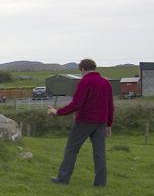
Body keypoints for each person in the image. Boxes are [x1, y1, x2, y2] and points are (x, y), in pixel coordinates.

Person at [48, 58, 114, 187]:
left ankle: (63, 179)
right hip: (101, 122)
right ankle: (100, 183)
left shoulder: (85, 82)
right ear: (94, 68)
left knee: (72, 149)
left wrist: (58, 112)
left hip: (85, 121)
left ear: (82, 69)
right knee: (99, 152)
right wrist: (109, 123)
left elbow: (76, 104)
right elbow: (110, 105)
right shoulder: (106, 83)